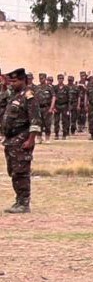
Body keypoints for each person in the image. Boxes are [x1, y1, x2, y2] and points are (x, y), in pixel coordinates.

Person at [2, 68, 43, 214]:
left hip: (22, 138)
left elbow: (35, 120)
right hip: (11, 140)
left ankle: (24, 203)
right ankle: (18, 201)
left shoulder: (29, 96)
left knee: (21, 171)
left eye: (14, 81)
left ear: (23, 80)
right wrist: (4, 86)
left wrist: (31, 140)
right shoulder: (13, 96)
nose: (12, 84)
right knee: (13, 171)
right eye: (10, 81)